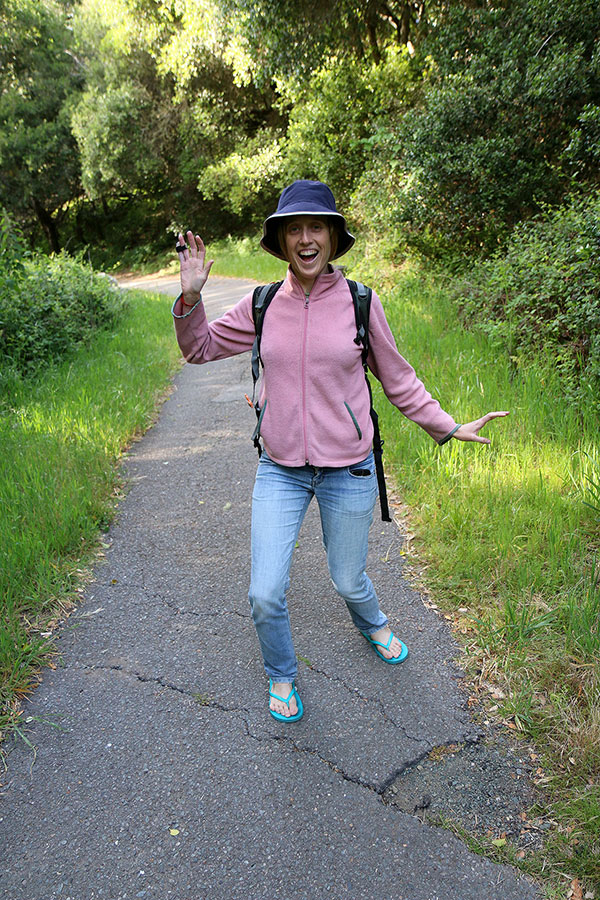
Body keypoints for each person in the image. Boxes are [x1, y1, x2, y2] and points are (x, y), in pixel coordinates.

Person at [172, 180, 508, 723]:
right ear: (281, 241)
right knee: (264, 592)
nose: (305, 239)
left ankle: (371, 620)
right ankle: (281, 674)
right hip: (279, 469)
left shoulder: (360, 302)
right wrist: (189, 300)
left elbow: (398, 380)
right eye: (294, 229)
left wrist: (446, 427)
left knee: (348, 578)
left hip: (349, 469)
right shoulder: (261, 304)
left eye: (316, 227)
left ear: (332, 237)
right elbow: (199, 348)